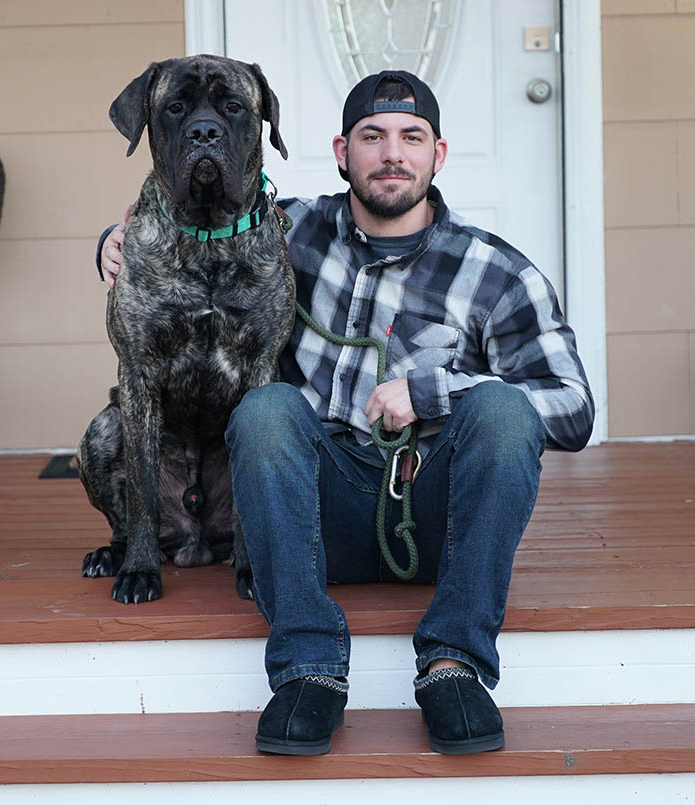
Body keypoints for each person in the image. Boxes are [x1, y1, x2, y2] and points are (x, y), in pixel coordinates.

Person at [96, 70, 594, 756]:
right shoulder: (283, 228)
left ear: (438, 155)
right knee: (267, 409)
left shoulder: (499, 273)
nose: (392, 154)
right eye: (372, 136)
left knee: (505, 411)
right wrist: (113, 239)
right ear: (341, 152)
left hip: (433, 514)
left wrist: (435, 392)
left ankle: (455, 664)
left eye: (411, 137)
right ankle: (307, 669)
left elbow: (573, 406)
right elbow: (183, 220)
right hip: (318, 514)